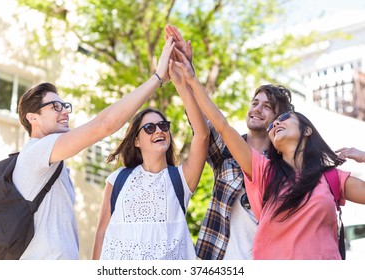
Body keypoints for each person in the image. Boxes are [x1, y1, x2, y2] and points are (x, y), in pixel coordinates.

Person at [171, 47, 365, 259]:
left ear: (305, 128)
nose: (257, 110)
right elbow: (219, 126)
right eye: (255, 103)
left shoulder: (330, 178)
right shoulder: (264, 171)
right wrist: (189, 79)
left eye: (272, 111)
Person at [13, 37, 176, 259]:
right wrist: (157, 78)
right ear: (33, 118)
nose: (65, 112)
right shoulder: (37, 151)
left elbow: (99, 123)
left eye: (65, 105)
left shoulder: (54, 163)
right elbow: (104, 125)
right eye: (55, 107)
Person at [165, 25, 293, 259]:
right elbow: (201, 121)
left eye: (267, 107)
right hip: (215, 257)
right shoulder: (226, 152)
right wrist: (186, 71)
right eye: (255, 103)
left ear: (279, 120)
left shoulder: (286, 166)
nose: (257, 109)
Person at [91, 56, 209, 260]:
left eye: (164, 126)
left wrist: (182, 84)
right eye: (149, 127)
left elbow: (202, 134)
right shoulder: (118, 179)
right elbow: (102, 232)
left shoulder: (181, 179)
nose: (159, 131)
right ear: (136, 141)